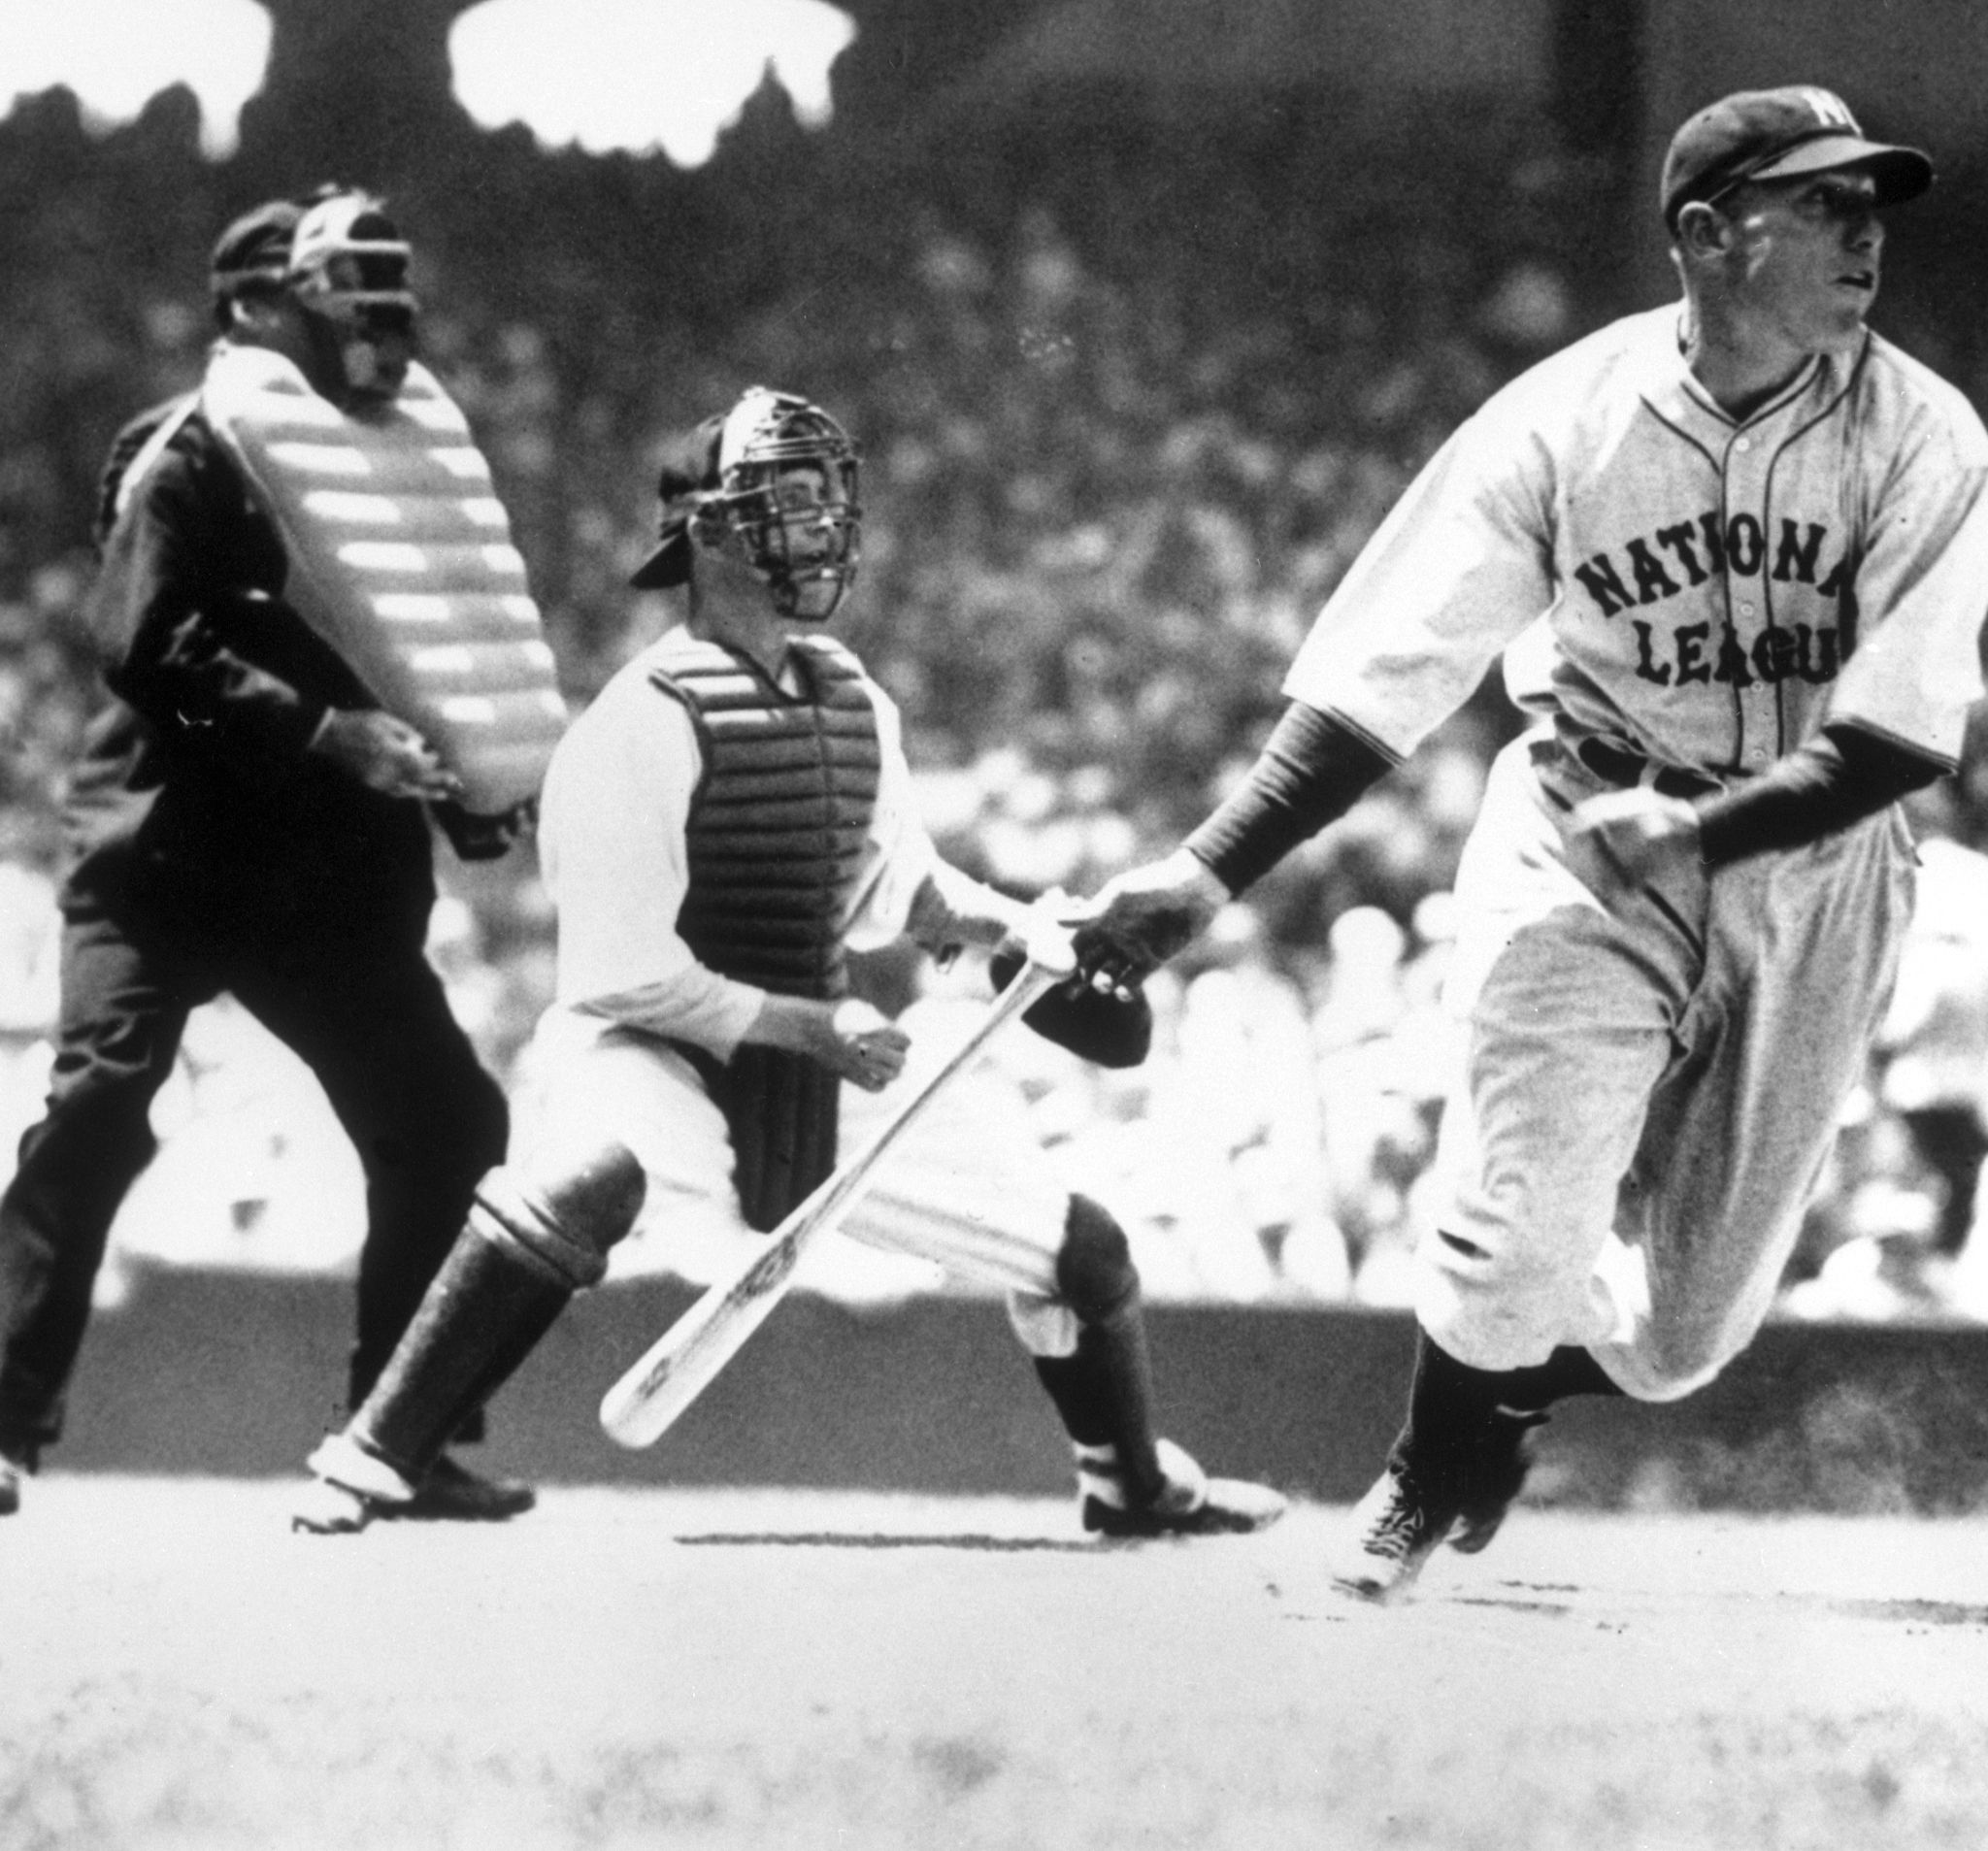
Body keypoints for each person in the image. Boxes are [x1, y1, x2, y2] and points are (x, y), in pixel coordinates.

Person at [1072, 86, 1988, 1600]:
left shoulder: (1924, 438)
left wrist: (1706, 829)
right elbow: (1386, 673)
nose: (1862, 229)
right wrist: (1202, 868)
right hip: (1583, 827)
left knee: (1684, 1334)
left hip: (1818, 859)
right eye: (1820, 201)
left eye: (1868, 201)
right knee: (1515, 1229)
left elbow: (1897, 733)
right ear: (1705, 235)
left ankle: (1499, 1390)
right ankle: (1429, 1465)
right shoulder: (1561, 418)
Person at [289, 387, 1286, 1541]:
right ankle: (372, 1451)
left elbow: (900, 891)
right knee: (585, 1179)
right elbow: (622, 974)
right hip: (647, 1053)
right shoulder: (634, 724)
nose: (819, 526)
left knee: (1086, 1252)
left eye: (825, 500)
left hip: (814, 1063)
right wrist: (813, 1031)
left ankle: (1132, 1482)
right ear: (708, 534)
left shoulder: (854, 701)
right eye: (787, 501)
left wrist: (1025, 929)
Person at [0, 187, 536, 1522]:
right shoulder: (193, 449)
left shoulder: (399, 459)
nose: (370, 318)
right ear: (256, 306)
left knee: (447, 1120)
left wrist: (470, 788)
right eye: (332, 290)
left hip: (323, 873)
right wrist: (325, 735)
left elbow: (430, 654)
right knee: (98, 1100)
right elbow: (145, 652)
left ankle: (402, 1431)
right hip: (168, 847)